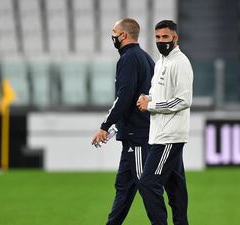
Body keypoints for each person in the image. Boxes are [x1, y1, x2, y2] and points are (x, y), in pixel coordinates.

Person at [91, 18, 154, 225]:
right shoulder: (146, 58)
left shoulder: (128, 59)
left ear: (124, 35)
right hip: (134, 134)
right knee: (124, 188)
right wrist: (118, 127)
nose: (112, 36)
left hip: (138, 137)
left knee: (146, 187)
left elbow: (124, 97)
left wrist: (105, 126)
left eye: (114, 32)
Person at [137, 20, 193, 225]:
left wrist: (152, 106)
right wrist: (146, 98)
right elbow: (158, 94)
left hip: (169, 135)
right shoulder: (160, 62)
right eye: (158, 37)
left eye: (165, 37)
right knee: (176, 190)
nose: (161, 41)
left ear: (175, 38)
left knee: (148, 184)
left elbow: (184, 99)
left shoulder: (181, 63)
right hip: (159, 134)